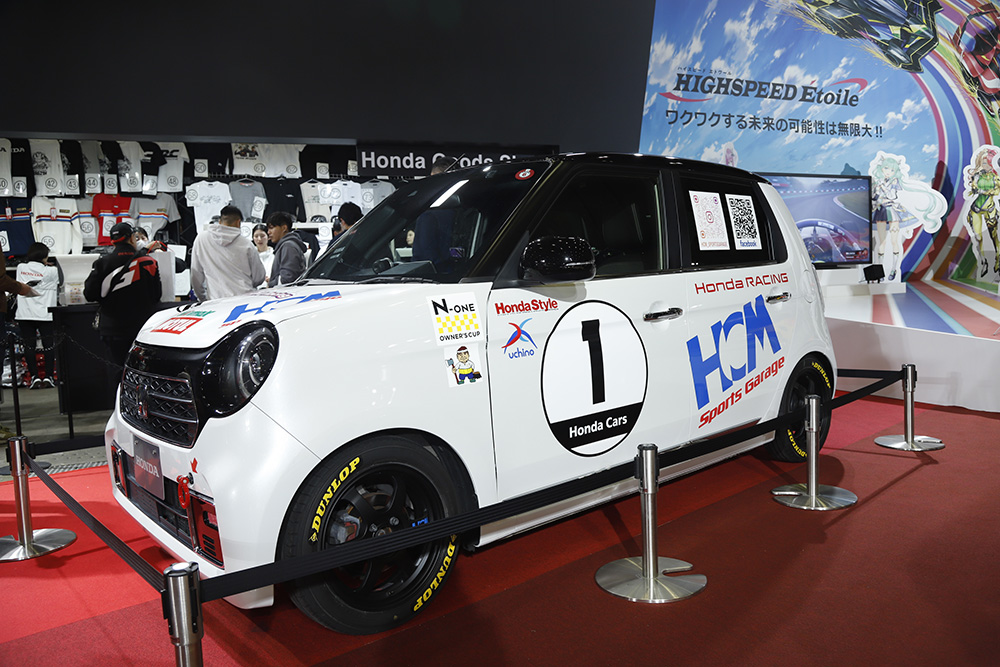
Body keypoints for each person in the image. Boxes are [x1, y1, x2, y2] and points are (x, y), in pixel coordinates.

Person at [83, 222, 162, 391]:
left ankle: (119, 404)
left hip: (113, 327)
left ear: (112, 241)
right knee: (144, 371)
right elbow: (157, 295)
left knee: (117, 371)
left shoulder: (102, 263)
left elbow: (89, 294)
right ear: (132, 238)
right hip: (143, 327)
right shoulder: (149, 262)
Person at [190, 205, 266, 300]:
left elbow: (196, 274)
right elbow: (259, 277)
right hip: (244, 299)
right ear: (238, 222)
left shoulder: (201, 239)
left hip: (216, 300)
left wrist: (202, 297)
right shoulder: (246, 244)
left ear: (220, 221)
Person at [15, 243, 62, 388]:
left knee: (29, 347)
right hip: (45, 314)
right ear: (44, 256)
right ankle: (49, 377)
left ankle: (34, 377)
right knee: (48, 346)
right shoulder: (52, 271)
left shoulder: (21, 268)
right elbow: (60, 281)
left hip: (25, 314)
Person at [266, 211, 307, 287]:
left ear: (284, 228)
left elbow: (287, 279)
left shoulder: (288, 246)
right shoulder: (287, 245)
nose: (268, 232)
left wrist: (271, 284)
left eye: (271, 228)